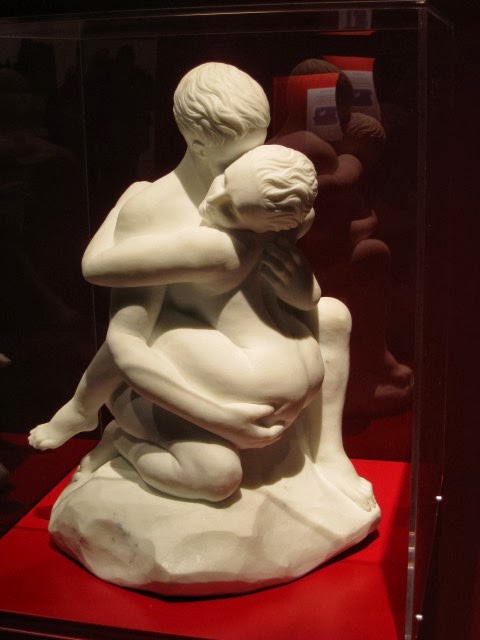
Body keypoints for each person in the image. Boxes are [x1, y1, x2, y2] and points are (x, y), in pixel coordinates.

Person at [30, 62, 374, 511]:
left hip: (251, 352)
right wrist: (222, 419)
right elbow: (126, 337)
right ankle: (113, 428)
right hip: (194, 355)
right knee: (213, 472)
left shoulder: (265, 181)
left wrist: (298, 289)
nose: (249, 159)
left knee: (332, 314)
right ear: (195, 142)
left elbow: (291, 268)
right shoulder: (156, 211)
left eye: (258, 142)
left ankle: (328, 454)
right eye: (233, 157)